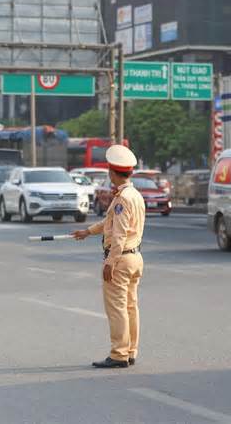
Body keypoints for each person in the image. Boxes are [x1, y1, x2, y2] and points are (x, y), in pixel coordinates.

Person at [72, 145, 145, 369]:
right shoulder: (134, 195)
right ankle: (130, 351)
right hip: (135, 257)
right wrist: (88, 232)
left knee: (117, 309)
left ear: (112, 172)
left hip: (121, 258)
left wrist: (109, 263)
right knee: (131, 307)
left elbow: (119, 234)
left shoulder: (122, 199)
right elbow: (109, 223)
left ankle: (119, 354)